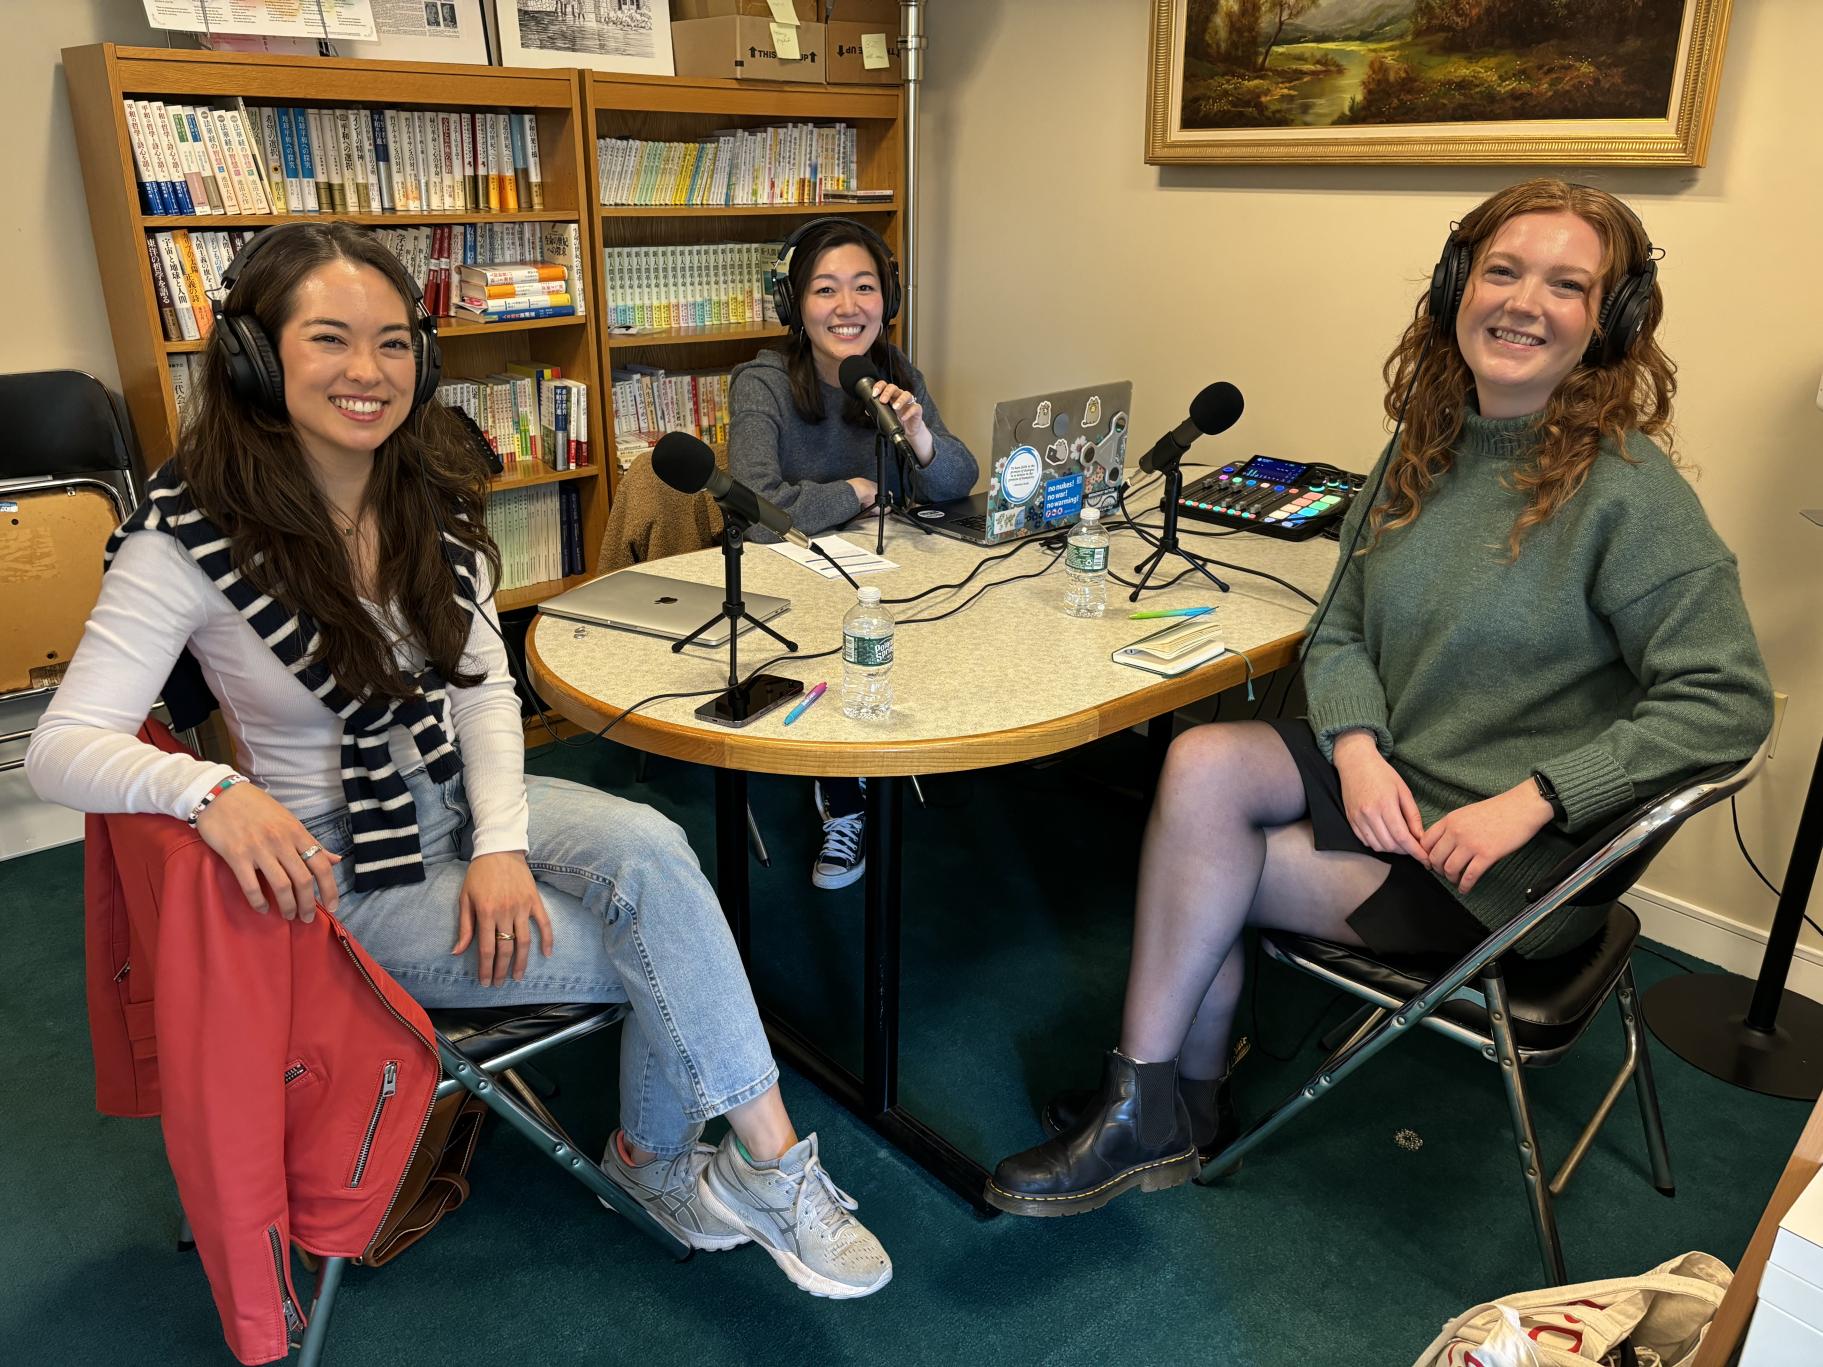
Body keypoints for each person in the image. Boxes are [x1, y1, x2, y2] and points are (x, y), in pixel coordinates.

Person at [27, 221, 892, 1299]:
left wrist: (501, 844)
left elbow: (481, 693)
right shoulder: (185, 532)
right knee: (667, 942)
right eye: (330, 339)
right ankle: (677, 1166)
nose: (368, 372)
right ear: (256, 355)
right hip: (346, 872)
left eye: (393, 344)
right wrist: (208, 789)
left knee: (658, 856)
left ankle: (744, 1163)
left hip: (458, 800)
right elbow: (62, 746)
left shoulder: (418, 485)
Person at [983, 179, 1773, 1218]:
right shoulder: (1424, 445)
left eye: (1566, 284)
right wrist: (1353, 748)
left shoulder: (1628, 493)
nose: (1523, 302)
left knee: (1205, 866)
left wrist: (1534, 797)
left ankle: (1163, 1101)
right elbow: (1339, 623)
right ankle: (1166, 1100)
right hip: (1400, 776)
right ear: (1457, 286)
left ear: (1609, 321)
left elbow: (1727, 700)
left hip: (1495, 864)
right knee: (1201, 761)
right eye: (1500, 270)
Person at [728, 216, 978, 889]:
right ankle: (842, 795)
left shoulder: (895, 373)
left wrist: (920, 435)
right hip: (790, 579)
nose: (847, 308)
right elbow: (754, 509)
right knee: (840, 637)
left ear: (887, 300)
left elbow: (956, 479)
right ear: (793, 305)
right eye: (824, 290)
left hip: (878, 573)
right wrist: (856, 488)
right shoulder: (763, 384)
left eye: (863, 288)